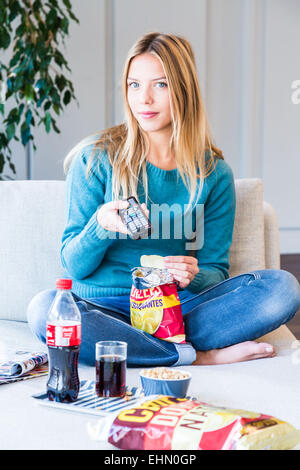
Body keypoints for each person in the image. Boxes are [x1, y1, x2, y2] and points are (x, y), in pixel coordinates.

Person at [27, 32, 300, 367]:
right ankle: (193, 356)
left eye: (160, 85)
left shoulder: (214, 174)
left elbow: (215, 270)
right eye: (134, 85)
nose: (144, 99)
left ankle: (147, 349)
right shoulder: (96, 158)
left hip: (175, 310)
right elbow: (72, 265)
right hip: (106, 309)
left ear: (183, 90)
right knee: (44, 309)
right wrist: (100, 225)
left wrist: (191, 275)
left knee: (282, 287)